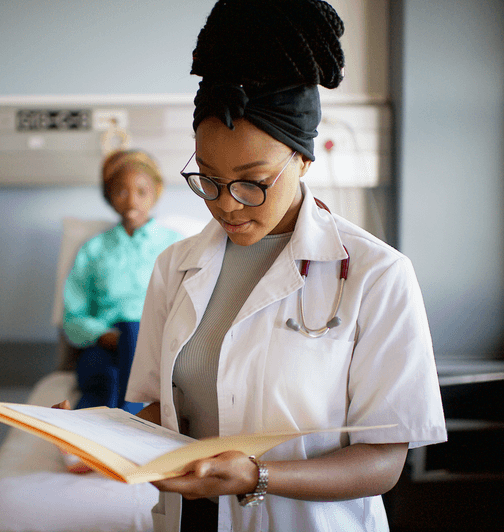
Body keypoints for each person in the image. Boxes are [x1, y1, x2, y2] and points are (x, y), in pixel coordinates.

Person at [122, 1, 448, 531]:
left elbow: (383, 462)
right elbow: (166, 412)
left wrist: (258, 477)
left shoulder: (376, 275)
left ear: (303, 160)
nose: (227, 203)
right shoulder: (174, 267)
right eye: (208, 178)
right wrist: (97, 438)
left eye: (252, 181)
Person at [62, 149, 181, 416]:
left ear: (156, 192)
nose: (131, 202)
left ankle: (86, 439)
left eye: (141, 191)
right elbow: (73, 319)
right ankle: (127, 423)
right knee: (107, 374)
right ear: (108, 196)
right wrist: (104, 335)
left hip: (157, 345)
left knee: (134, 330)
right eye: (121, 192)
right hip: (103, 345)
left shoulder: (176, 246)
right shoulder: (93, 250)